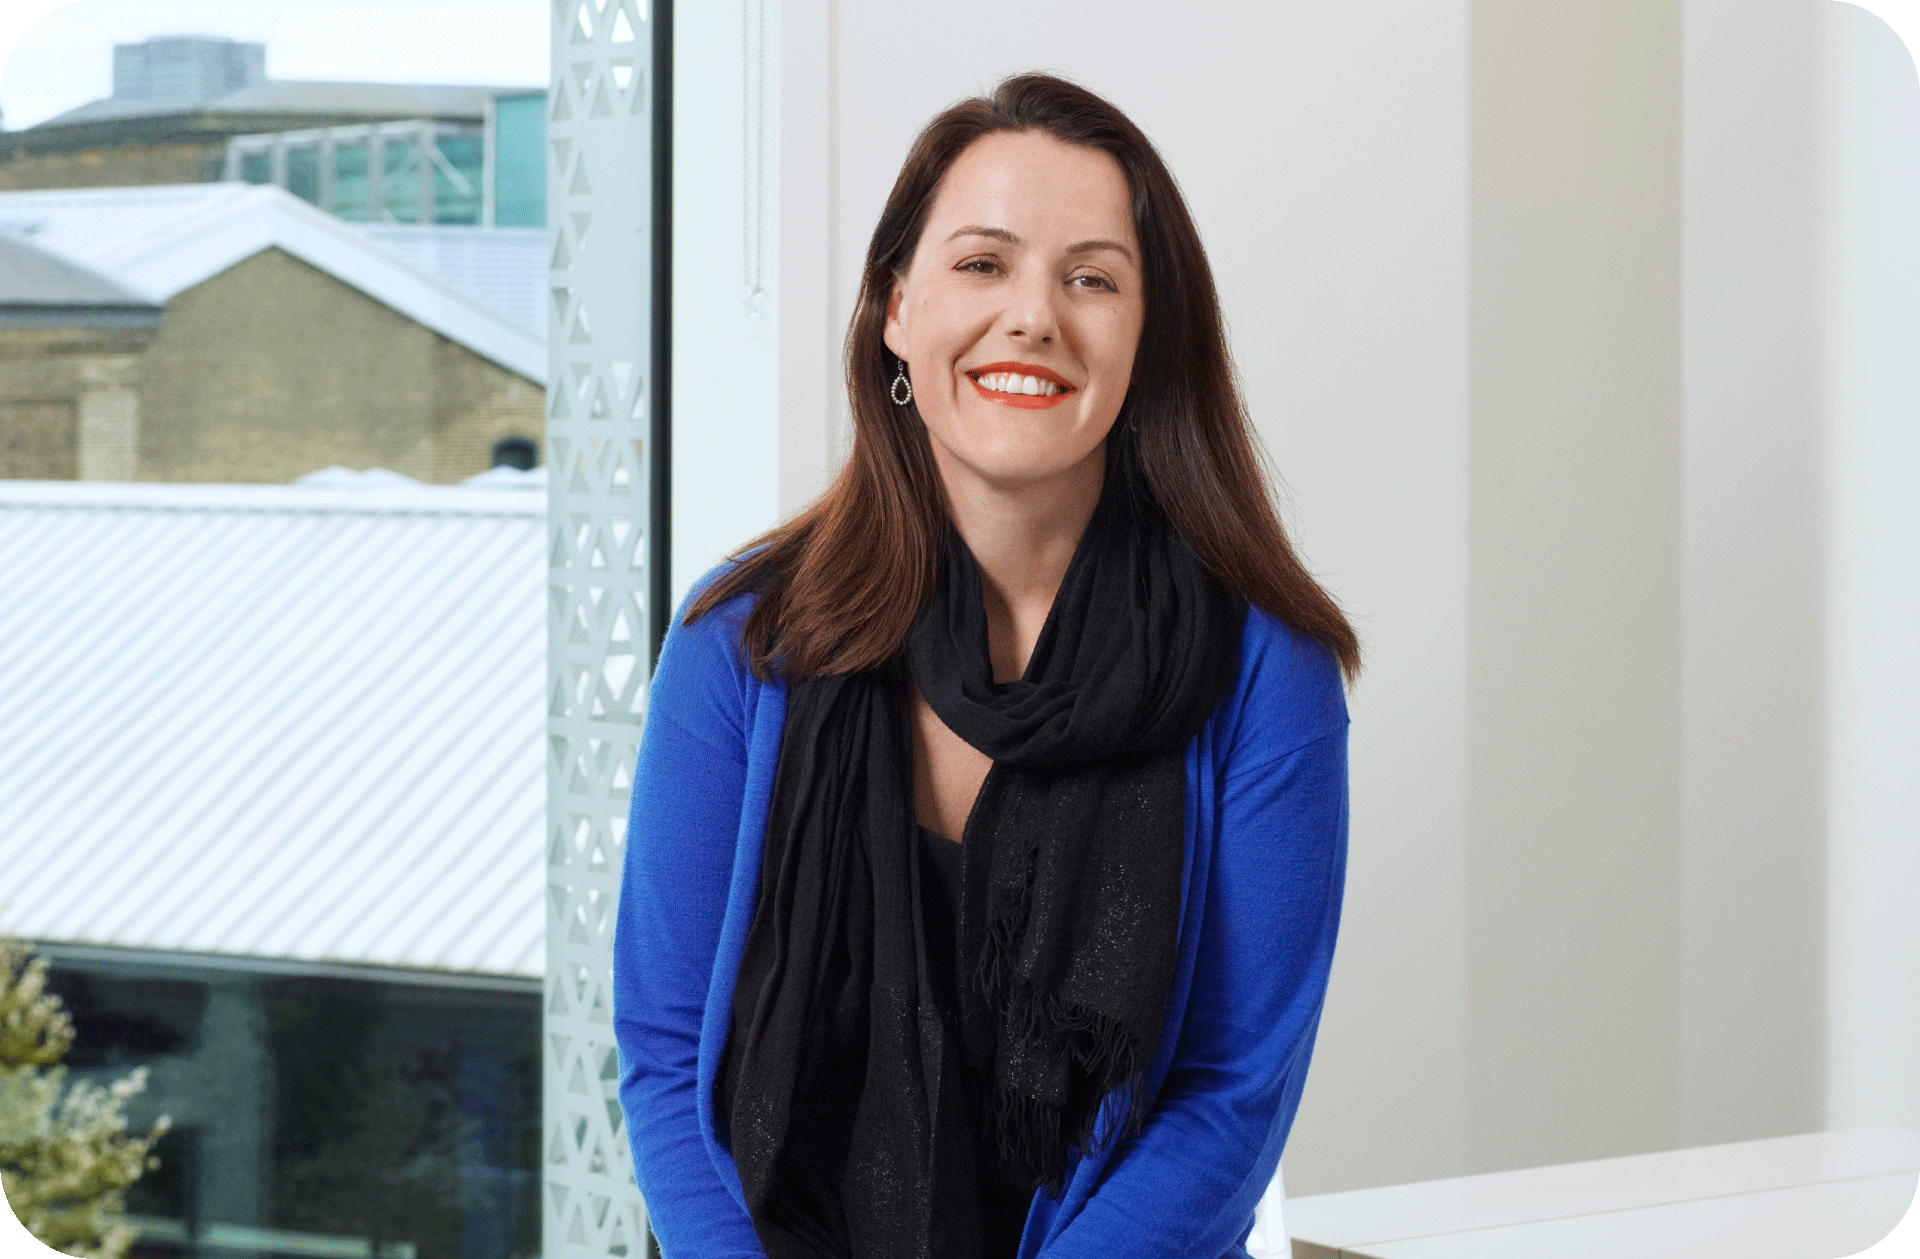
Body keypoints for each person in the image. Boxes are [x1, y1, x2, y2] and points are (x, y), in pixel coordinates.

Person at [613, 72, 1358, 1259]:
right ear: (897, 307)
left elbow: (1228, 1097)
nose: (1033, 317)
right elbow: (660, 1056)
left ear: (1148, 337)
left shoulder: (1267, 675)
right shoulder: (740, 641)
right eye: (982, 264)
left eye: (1092, 278)